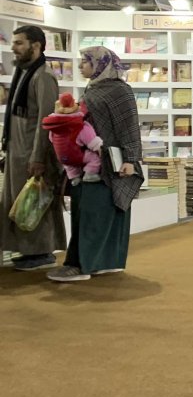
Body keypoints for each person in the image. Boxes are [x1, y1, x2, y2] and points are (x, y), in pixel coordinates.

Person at [48, 46, 143, 282]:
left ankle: (82, 265)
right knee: (90, 212)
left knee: (96, 212)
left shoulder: (120, 91)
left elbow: (129, 126)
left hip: (111, 163)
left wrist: (131, 159)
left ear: (100, 64)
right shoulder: (94, 87)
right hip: (90, 161)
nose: (80, 65)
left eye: (85, 61)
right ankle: (102, 262)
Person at [2, 25, 66, 272]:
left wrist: (38, 156)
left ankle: (42, 252)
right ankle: (29, 251)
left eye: (19, 43)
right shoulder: (23, 73)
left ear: (36, 45)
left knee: (35, 203)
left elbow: (46, 120)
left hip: (33, 153)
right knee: (21, 203)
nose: (14, 47)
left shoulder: (43, 76)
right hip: (18, 151)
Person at [42, 93, 104, 184]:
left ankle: (74, 177)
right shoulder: (80, 126)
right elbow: (92, 141)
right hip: (76, 155)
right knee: (94, 158)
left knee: (70, 166)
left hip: (62, 157)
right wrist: (100, 147)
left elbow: (51, 139)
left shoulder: (54, 128)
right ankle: (90, 174)